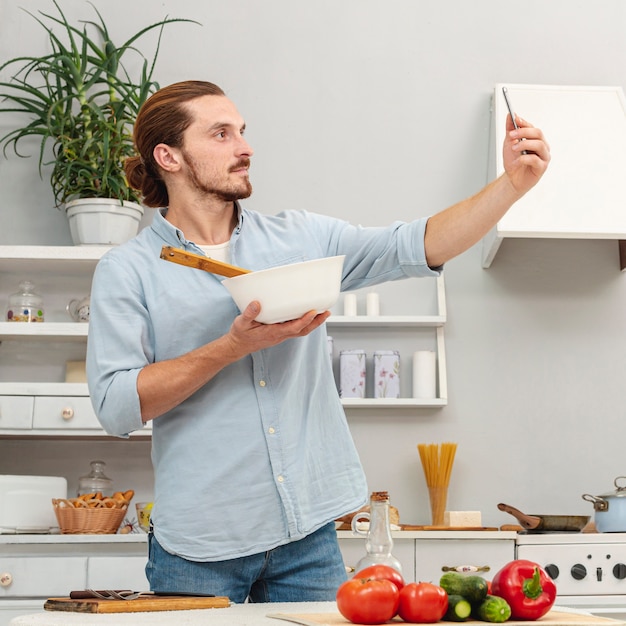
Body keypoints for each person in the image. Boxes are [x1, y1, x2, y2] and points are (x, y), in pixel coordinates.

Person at [86, 80, 550, 603]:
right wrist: (230, 346)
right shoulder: (127, 270)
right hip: (198, 547)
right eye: (220, 134)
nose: (245, 147)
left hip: (308, 538)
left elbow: (413, 244)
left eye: (242, 131)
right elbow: (118, 406)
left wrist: (511, 185)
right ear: (168, 156)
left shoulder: (300, 239)